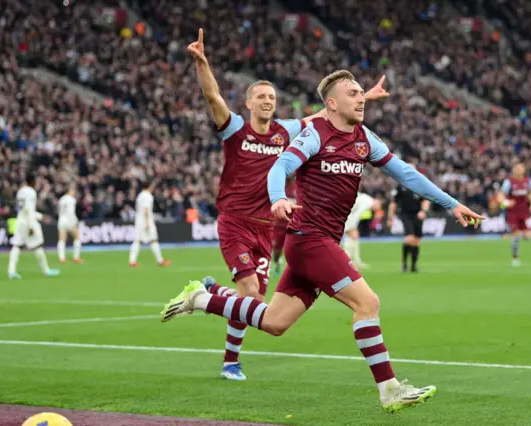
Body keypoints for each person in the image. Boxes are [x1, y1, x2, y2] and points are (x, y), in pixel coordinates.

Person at [160, 70, 484, 412]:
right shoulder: (314, 134)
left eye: (362, 93)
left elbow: (405, 172)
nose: (361, 98)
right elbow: (279, 167)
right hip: (308, 240)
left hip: (321, 241)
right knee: (367, 303)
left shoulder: (364, 138)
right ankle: (389, 389)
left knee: (274, 322)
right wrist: (278, 198)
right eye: (353, 93)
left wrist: (452, 204)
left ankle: (200, 299)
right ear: (331, 103)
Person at [186, 29, 389, 380]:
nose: (268, 101)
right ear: (248, 103)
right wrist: (203, 63)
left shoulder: (285, 130)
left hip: (268, 224)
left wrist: (363, 96)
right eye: (261, 97)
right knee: (250, 291)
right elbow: (212, 96)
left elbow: (325, 117)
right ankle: (230, 360)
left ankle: (212, 295)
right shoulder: (234, 128)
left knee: (257, 303)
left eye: (272, 97)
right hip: (235, 220)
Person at [8, 173, 60, 279]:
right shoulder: (31, 192)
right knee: (37, 245)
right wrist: (31, 226)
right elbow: (29, 210)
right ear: (33, 182)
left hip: (20, 221)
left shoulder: (21, 191)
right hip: (28, 222)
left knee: (17, 245)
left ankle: (11, 271)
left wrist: (41, 217)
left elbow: (23, 209)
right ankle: (46, 271)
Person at [387, 165, 431, 272]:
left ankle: (413, 266)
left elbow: (426, 200)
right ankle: (404, 263)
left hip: (418, 215)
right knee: (409, 238)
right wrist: (390, 218)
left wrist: (423, 211)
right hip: (405, 215)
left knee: (417, 241)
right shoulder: (400, 186)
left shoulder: (420, 185)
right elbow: (393, 203)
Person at [497, 163, 531, 266]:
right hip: (513, 213)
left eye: (521, 168)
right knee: (516, 235)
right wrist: (506, 202)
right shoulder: (508, 182)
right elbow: (500, 196)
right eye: (517, 168)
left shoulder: (528, 181)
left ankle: (520, 237)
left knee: (528, 236)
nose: (519, 170)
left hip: (524, 212)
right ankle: (515, 258)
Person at [129, 181, 170, 268]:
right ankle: (160, 260)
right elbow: (146, 209)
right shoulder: (148, 196)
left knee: (137, 240)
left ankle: (132, 261)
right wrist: (147, 222)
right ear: (150, 186)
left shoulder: (140, 196)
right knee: (153, 239)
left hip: (139, 220)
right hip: (146, 220)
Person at [342, 192, 378, 269]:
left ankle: (354, 261)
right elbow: (356, 214)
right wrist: (352, 227)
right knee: (351, 238)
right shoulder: (367, 202)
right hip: (347, 215)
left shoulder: (366, 199)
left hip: (347, 214)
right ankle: (348, 262)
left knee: (353, 238)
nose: (375, 210)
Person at [271, 175, 296, 276]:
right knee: (277, 250)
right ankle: (277, 263)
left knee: (295, 249)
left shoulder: (297, 187)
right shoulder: (279, 186)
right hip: (279, 224)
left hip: (293, 224)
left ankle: (294, 271)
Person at [57, 184, 83, 264]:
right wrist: (75, 221)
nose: (74, 192)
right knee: (77, 238)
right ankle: (76, 257)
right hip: (69, 220)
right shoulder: (72, 199)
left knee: (62, 240)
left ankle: (62, 258)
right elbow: (71, 212)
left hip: (61, 220)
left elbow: (59, 211)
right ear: (69, 191)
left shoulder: (61, 199)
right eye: (73, 190)